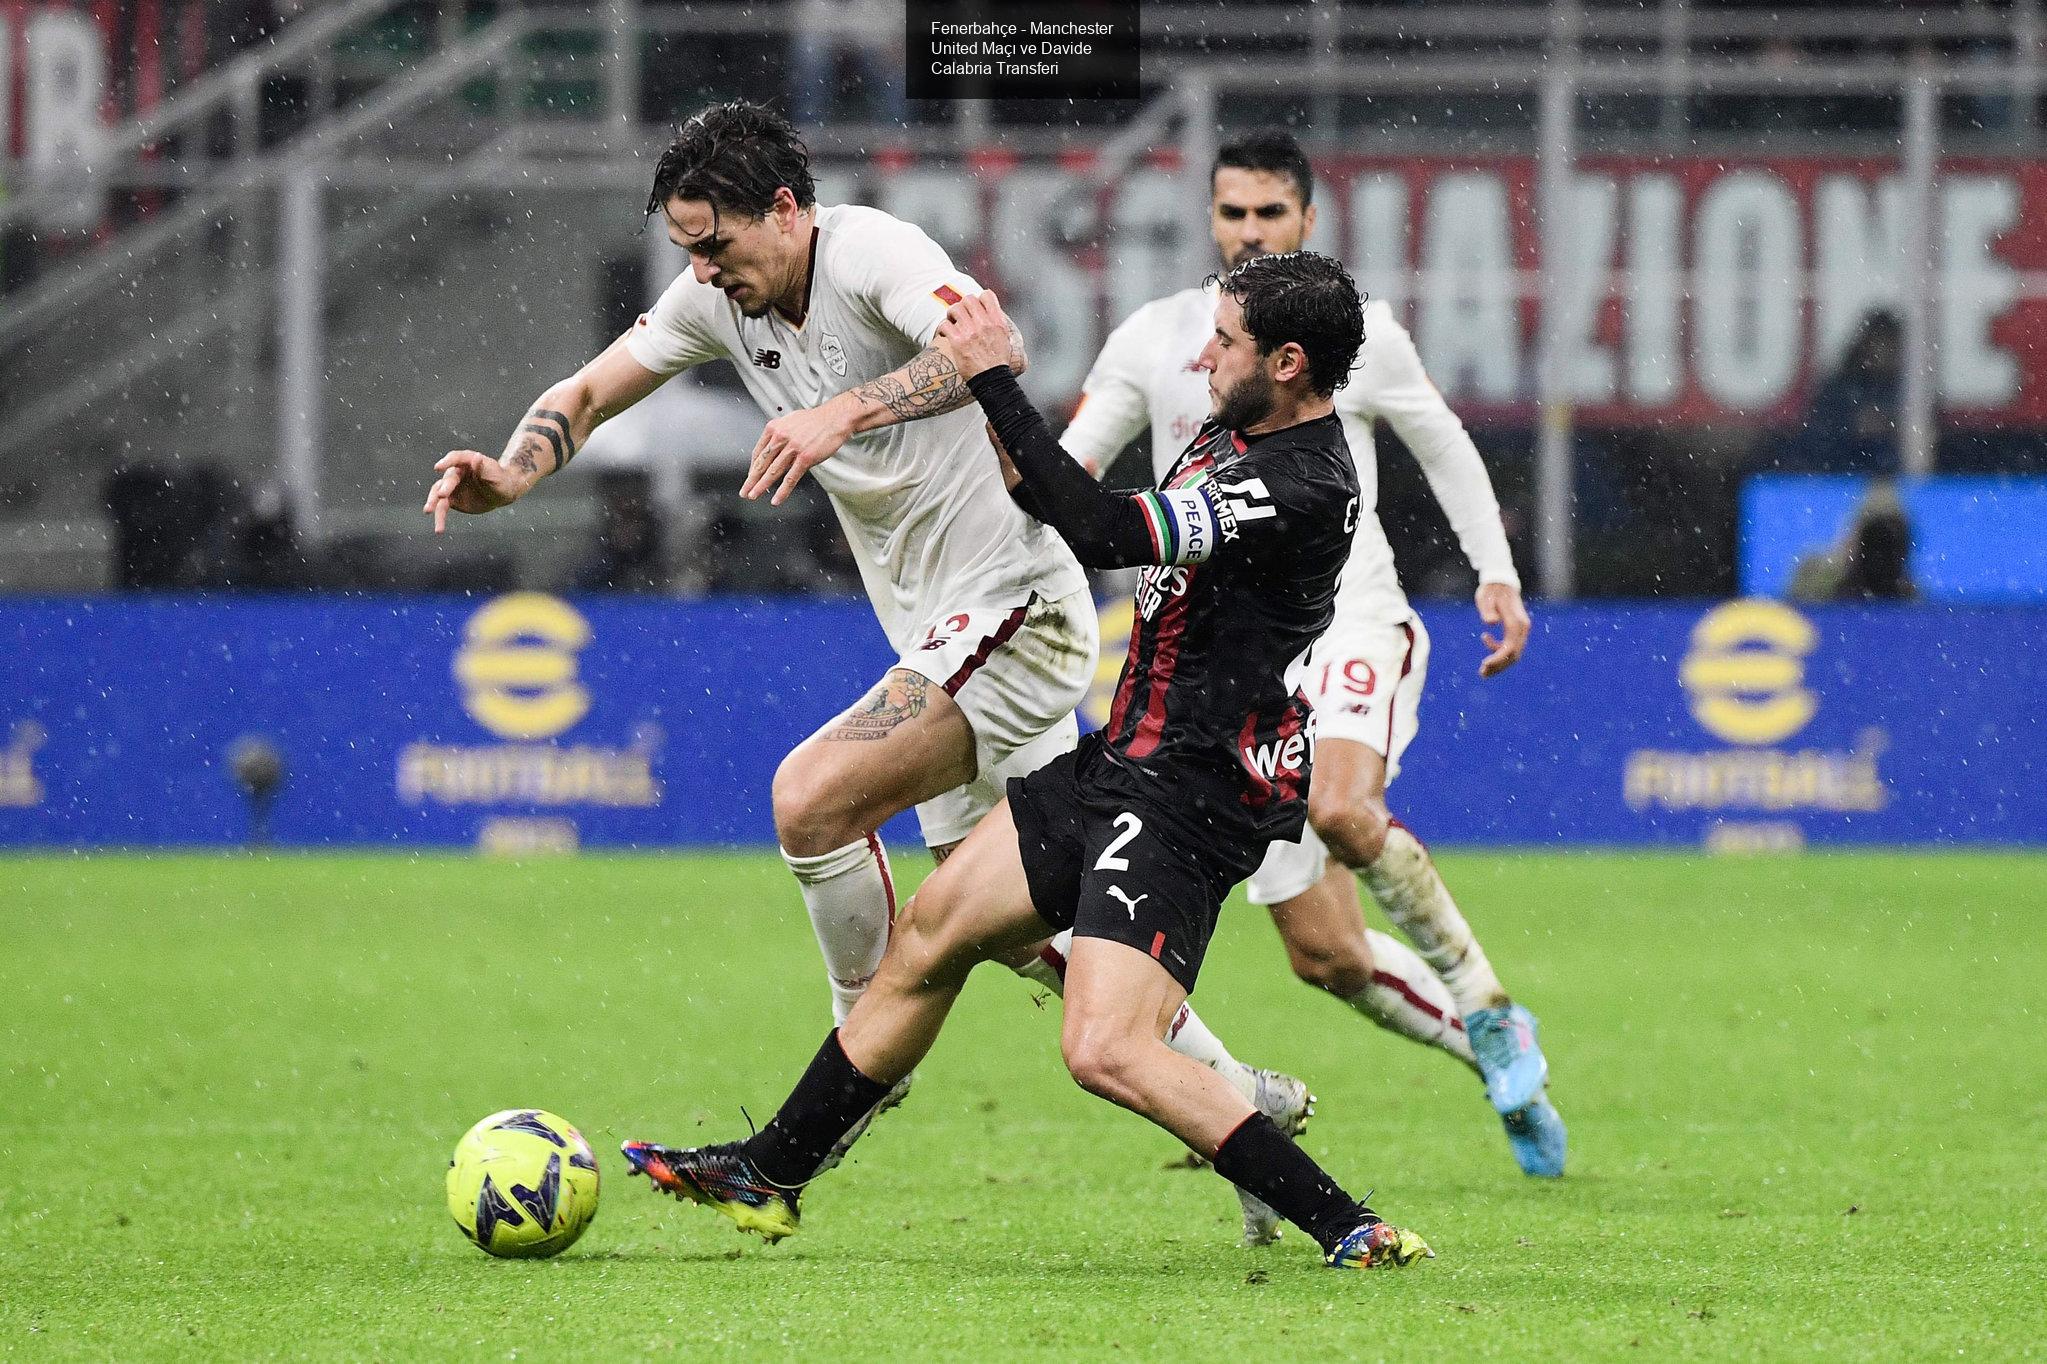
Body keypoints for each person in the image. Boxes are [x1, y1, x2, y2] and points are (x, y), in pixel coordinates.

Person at [421, 101, 1309, 1216]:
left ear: (786, 211)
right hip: (943, 624)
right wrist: (514, 469)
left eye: (717, 244)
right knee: (1021, 931)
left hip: (1010, 606)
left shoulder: (874, 251)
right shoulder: (714, 299)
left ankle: (854, 1062)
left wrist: (845, 407)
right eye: (686, 248)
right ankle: (1242, 1105)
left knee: (812, 797)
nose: (701, 269)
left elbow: (991, 346)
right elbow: (593, 389)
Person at [620, 258, 1434, 1271]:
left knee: (1103, 1046)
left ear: (1289, 360)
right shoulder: (1243, 425)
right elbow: (1051, 488)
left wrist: (993, 377)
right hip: (1125, 762)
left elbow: (1099, 531)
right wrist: (1000, 390)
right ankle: (769, 1172)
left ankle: (1348, 1223)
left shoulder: (1297, 481)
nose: (1202, 353)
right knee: (929, 932)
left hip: (1191, 795)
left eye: (1222, 340)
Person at [1060, 129, 1566, 1178]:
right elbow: (1077, 467)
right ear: (1209, 217)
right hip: (1224, 667)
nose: (1250, 231)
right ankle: (1487, 1042)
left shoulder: (1351, 334)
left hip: (1345, 615)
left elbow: (1440, 440)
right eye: (1233, 214)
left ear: (1306, 220)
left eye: (1270, 215)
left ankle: (1480, 994)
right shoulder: (1160, 337)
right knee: (1323, 953)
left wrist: (1495, 571)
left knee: (1342, 807)